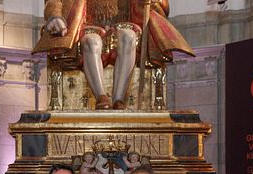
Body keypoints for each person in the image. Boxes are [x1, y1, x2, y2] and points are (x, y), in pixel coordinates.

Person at [34, 0, 194, 110]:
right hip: (88, 26)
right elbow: (55, 1)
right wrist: (54, 16)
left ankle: (118, 99)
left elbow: (160, 5)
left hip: (124, 27)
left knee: (128, 36)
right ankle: (102, 97)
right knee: (92, 41)